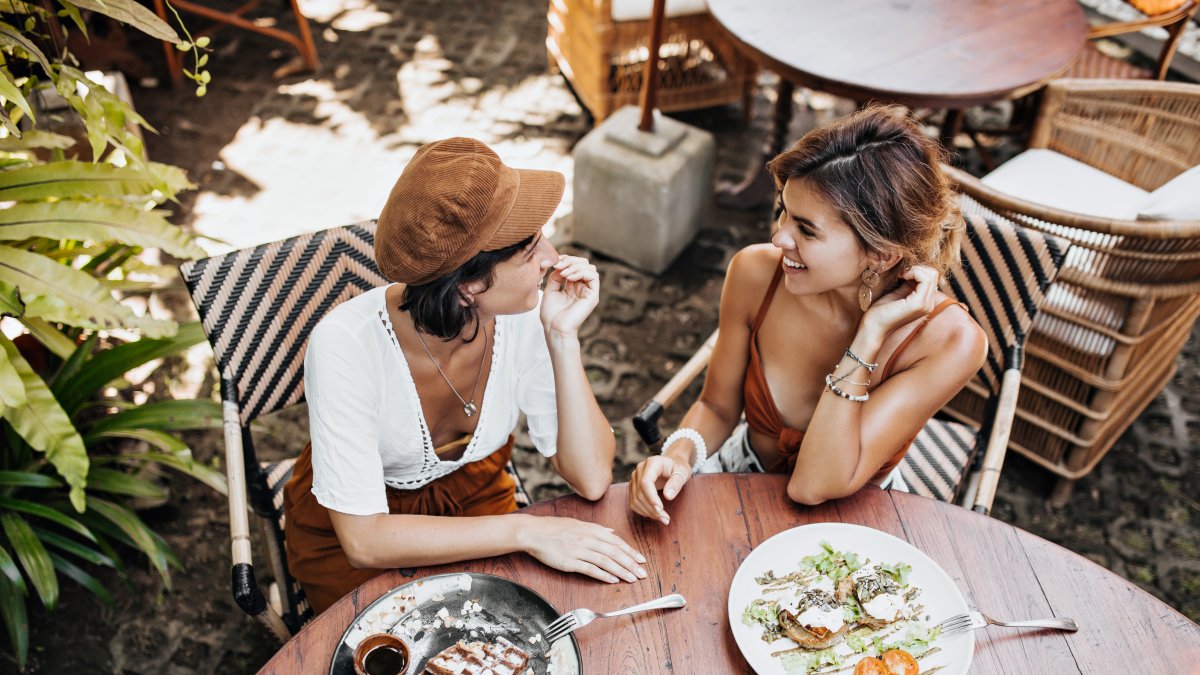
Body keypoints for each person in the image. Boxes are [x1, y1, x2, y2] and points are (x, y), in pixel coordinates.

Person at [285, 137, 646, 614]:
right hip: (360, 532)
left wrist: (562, 337)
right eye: (530, 247)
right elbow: (365, 540)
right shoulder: (344, 346)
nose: (553, 258)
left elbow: (593, 478)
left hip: (477, 500)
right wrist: (527, 530)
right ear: (468, 286)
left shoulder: (523, 314)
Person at [629, 106, 988, 523]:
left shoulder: (950, 342)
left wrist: (867, 338)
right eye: (782, 210)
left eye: (807, 229)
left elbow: (812, 485)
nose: (779, 237)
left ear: (881, 253)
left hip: (851, 521)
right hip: (736, 478)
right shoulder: (755, 274)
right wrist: (679, 454)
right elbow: (717, 406)